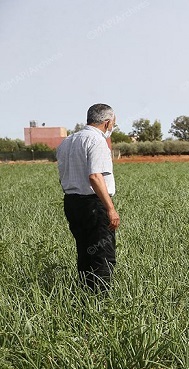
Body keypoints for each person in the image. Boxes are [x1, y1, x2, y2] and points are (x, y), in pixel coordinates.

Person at [57, 103, 120, 291]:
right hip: (94, 204)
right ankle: (100, 304)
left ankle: (85, 297)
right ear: (107, 123)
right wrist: (110, 208)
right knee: (102, 256)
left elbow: (63, 175)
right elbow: (95, 176)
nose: (112, 128)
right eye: (114, 124)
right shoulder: (96, 140)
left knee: (84, 253)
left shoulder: (67, 141)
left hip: (72, 203)